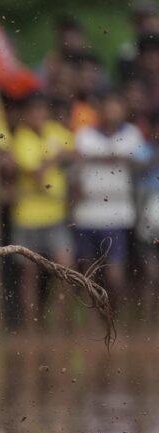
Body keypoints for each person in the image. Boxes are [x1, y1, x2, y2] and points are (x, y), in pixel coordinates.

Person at [72, 90, 150, 316]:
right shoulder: (85, 135)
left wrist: (124, 159)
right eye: (108, 106)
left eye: (116, 107)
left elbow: (144, 164)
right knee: (88, 274)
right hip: (86, 214)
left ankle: (116, 316)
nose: (111, 111)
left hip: (118, 213)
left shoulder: (132, 134)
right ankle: (93, 321)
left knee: (115, 273)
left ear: (123, 110)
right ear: (100, 110)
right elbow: (75, 172)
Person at [9, 92, 75, 328]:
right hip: (27, 216)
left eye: (41, 110)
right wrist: (56, 157)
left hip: (55, 213)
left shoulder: (55, 132)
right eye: (33, 111)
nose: (38, 115)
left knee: (66, 268)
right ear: (26, 115)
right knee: (30, 275)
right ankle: (32, 327)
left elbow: (75, 150)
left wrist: (53, 158)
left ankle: (59, 325)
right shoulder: (21, 139)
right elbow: (36, 173)